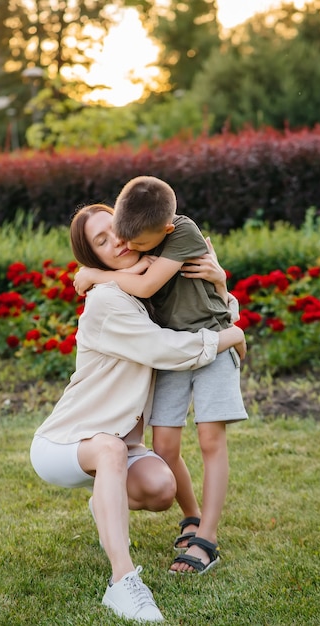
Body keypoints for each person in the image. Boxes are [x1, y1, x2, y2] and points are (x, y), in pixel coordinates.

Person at [30, 203, 247, 623]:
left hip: (117, 444)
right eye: (101, 242)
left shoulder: (146, 285)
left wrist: (223, 290)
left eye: (115, 229)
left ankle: (105, 503)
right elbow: (164, 348)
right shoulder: (108, 301)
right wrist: (230, 336)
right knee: (110, 449)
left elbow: (199, 308)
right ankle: (122, 581)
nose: (117, 241)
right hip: (67, 443)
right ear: (93, 257)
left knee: (160, 488)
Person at [73, 177, 249, 576]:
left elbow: (153, 284)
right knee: (165, 445)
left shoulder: (180, 231)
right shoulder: (136, 245)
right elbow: (138, 284)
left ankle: (207, 538)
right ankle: (191, 516)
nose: (127, 245)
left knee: (210, 438)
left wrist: (95, 275)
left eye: (133, 241)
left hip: (213, 343)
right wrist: (107, 269)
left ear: (164, 230)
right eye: (118, 239)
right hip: (173, 353)